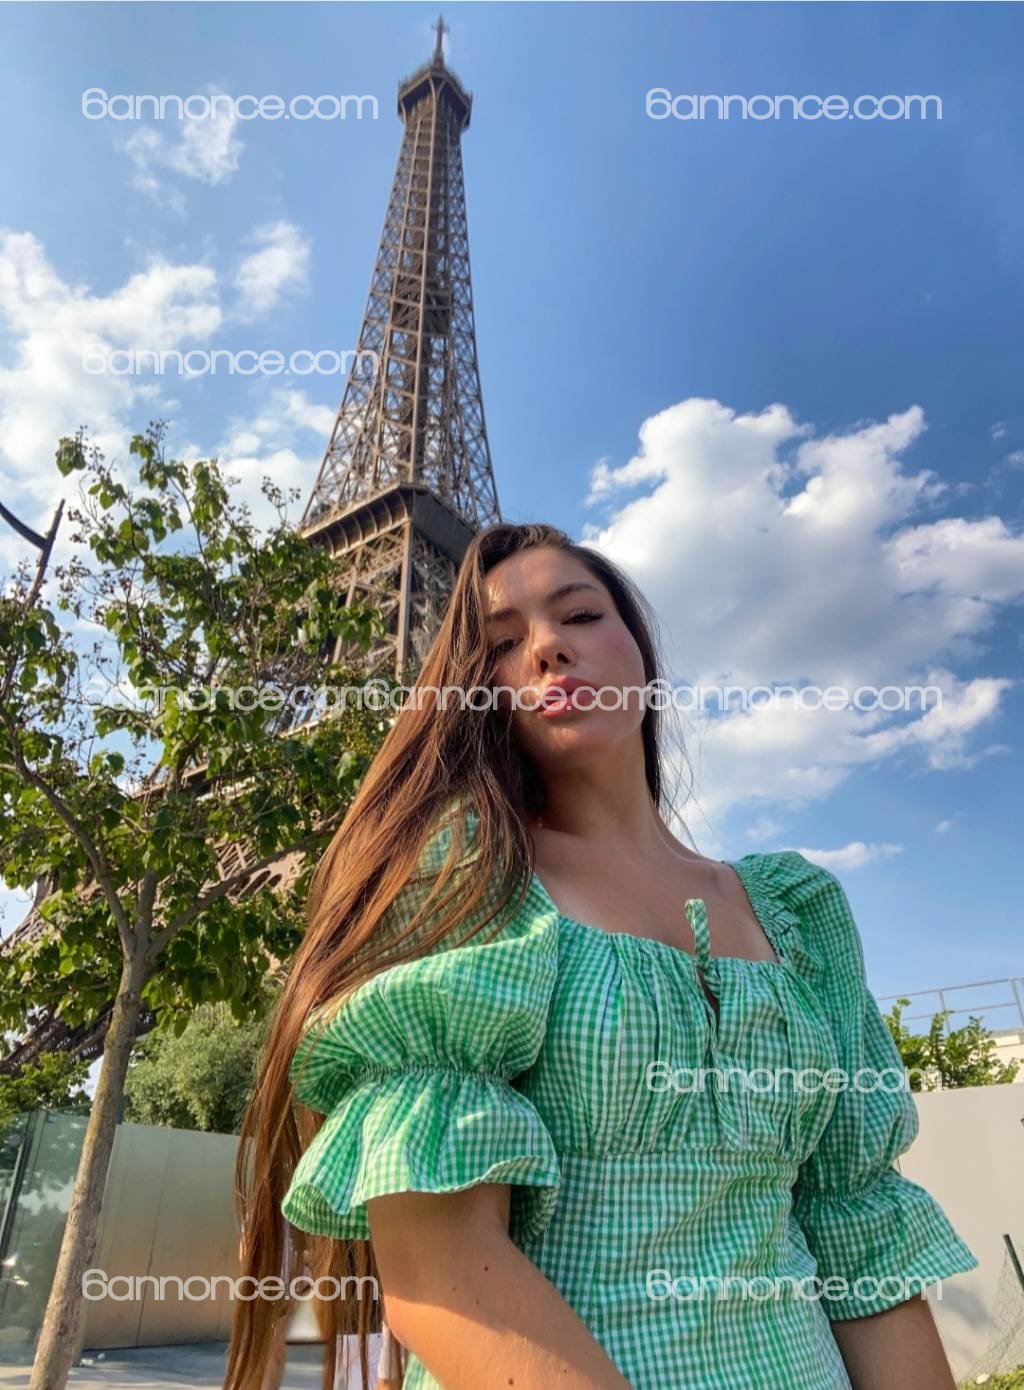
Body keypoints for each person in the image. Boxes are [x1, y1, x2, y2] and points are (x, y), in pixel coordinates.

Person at [224, 522, 977, 1390]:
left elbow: (859, 1238)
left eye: (580, 614)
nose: (548, 647)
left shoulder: (798, 913)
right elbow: (441, 1270)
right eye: (501, 644)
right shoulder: (467, 882)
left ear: (640, 654)